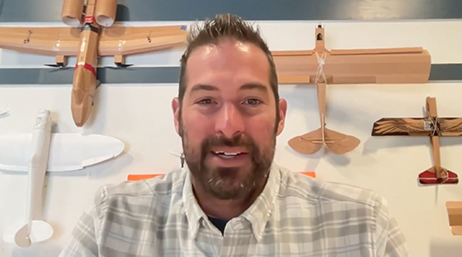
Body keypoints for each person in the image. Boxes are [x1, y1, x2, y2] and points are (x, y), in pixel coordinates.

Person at [59, 13, 409, 257]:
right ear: (178, 116)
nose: (228, 126)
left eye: (251, 100)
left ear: (280, 116)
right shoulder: (110, 221)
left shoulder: (363, 225)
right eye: (207, 100)